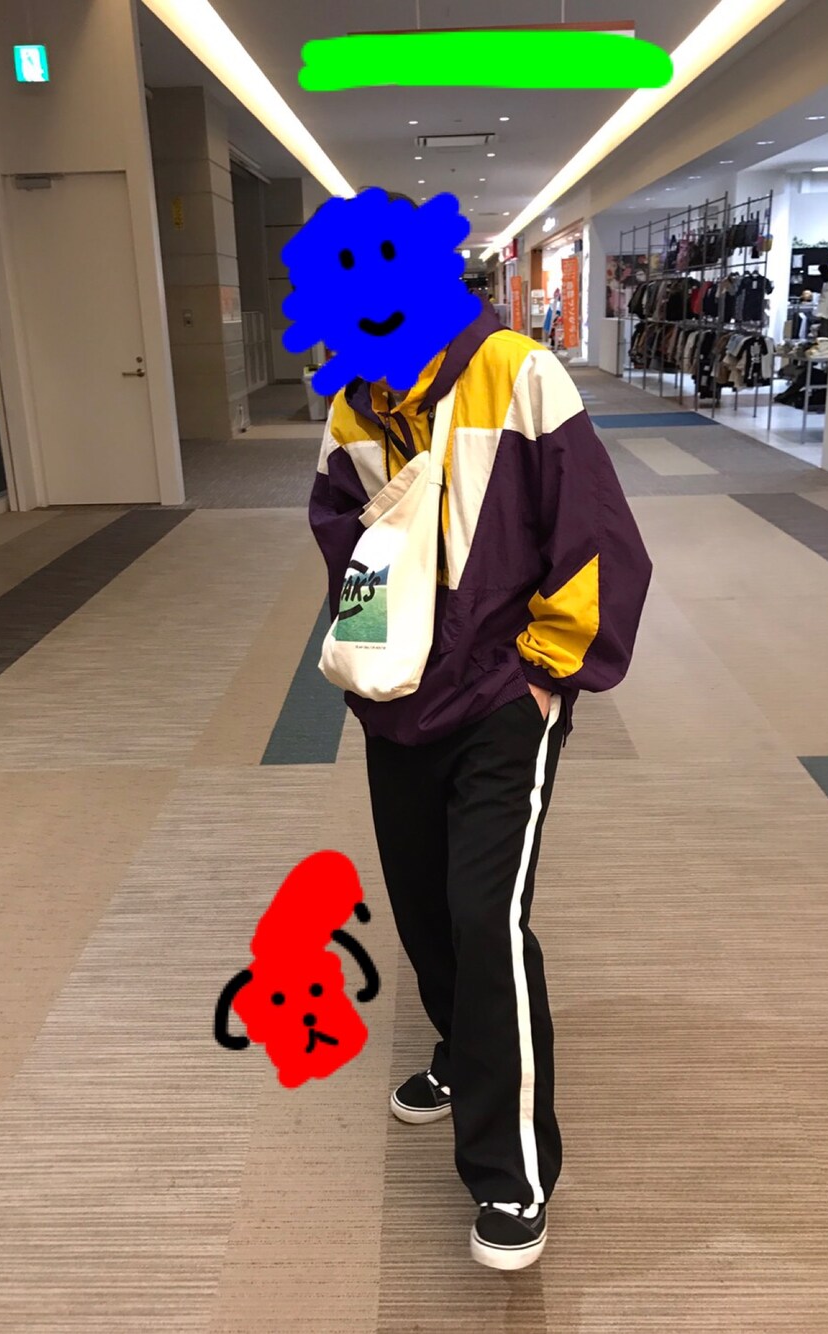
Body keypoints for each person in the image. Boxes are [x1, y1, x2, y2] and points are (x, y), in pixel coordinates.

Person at [308, 197, 652, 1271]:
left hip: (507, 695)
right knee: (421, 905)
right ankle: (463, 1049)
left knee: (485, 914)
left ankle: (512, 1171)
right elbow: (340, 540)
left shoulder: (518, 374)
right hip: (400, 701)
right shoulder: (354, 408)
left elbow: (599, 537)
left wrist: (548, 674)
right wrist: (371, 661)